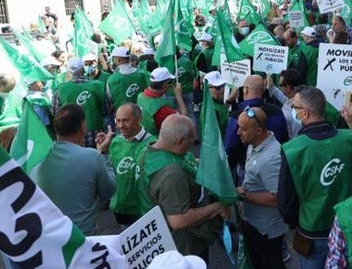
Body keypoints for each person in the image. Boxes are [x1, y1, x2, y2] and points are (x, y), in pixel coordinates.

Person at [278, 87, 352, 268]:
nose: (293, 110)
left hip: (312, 230)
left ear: (304, 113)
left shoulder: (292, 149)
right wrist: (351, 124)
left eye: (294, 107)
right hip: (349, 224)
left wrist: (296, 223)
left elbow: (286, 199)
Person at [137, 115, 229, 260]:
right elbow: (178, 220)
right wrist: (218, 207)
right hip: (185, 248)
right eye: (191, 139)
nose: (194, 141)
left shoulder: (148, 150)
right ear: (180, 141)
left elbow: (185, 161)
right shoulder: (172, 174)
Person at [36, 104, 116, 236]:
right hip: (83, 238)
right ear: (83, 127)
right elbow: (109, 190)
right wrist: (104, 153)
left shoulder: (39, 158)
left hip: (51, 238)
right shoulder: (93, 156)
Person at [236, 107, 288, 269]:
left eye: (243, 129)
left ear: (258, 131)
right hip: (253, 223)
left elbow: (276, 197)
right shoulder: (254, 144)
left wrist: (244, 196)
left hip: (266, 230)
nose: (238, 132)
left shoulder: (272, 158)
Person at [97, 103, 154, 226]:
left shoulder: (152, 145)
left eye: (125, 120)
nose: (121, 126)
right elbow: (110, 172)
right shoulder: (116, 142)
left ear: (139, 118)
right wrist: (102, 151)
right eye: (117, 121)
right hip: (119, 208)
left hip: (142, 211)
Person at [225, 75, 288, 179]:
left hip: (248, 169)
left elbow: (231, 147)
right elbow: (285, 137)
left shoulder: (238, 116)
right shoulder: (277, 111)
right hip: (276, 164)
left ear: (245, 90)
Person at [53, 57, 108, 148]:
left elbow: (56, 112)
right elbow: (106, 109)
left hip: (72, 135)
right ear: (83, 68)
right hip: (97, 135)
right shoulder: (98, 85)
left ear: (69, 71)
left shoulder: (60, 89)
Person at [136, 67, 188, 136]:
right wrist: (178, 96)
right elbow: (184, 121)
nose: (171, 85)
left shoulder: (140, 96)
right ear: (165, 85)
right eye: (170, 82)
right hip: (160, 141)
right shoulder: (162, 109)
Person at [106, 46, 149, 112]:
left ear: (118, 60)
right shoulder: (142, 74)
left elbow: (109, 100)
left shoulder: (112, 79)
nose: (113, 61)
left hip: (122, 115)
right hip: (141, 113)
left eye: (113, 59)